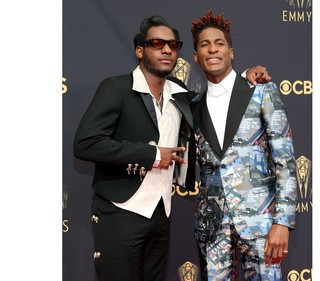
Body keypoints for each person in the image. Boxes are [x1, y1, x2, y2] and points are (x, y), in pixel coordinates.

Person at [74, 14, 271, 281]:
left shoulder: (180, 94)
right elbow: (86, 144)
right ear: (140, 50)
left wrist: (246, 78)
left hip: (161, 214)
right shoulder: (116, 88)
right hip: (119, 212)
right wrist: (152, 155)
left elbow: (217, 99)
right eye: (157, 43)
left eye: (173, 44)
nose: (166, 49)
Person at [190, 11, 297, 281]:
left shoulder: (260, 90)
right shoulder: (192, 106)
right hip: (211, 227)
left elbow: (285, 159)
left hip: (260, 223)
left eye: (219, 43)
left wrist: (283, 221)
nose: (212, 48)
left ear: (231, 52)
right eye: (204, 44)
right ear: (195, 56)